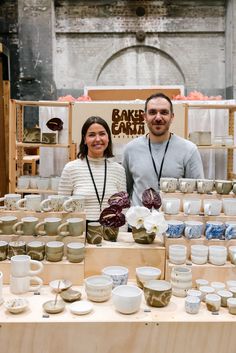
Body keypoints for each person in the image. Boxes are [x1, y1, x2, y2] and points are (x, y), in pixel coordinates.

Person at [122, 92, 204, 206]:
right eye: (152, 112)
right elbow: (126, 189)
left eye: (164, 112)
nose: (158, 117)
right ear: (144, 117)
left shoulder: (189, 150)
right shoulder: (130, 149)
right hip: (139, 221)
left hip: (173, 221)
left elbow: (197, 193)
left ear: (172, 117)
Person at [58, 116, 126, 221]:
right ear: (84, 139)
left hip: (110, 233)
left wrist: (119, 234)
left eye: (102, 134)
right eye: (92, 135)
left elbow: (123, 208)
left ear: (108, 138)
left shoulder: (119, 170)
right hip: (80, 232)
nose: (98, 139)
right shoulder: (71, 169)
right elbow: (61, 208)